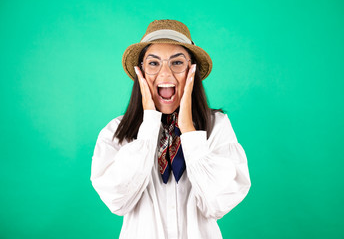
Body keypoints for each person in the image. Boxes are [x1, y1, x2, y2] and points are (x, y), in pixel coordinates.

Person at [91, 19, 251, 239]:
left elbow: (218, 203)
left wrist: (189, 130)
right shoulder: (116, 131)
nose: (165, 75)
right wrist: (148, 127)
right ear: (141, 72)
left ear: (191, 70)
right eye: (154, 63)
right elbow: (117, 201)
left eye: (177, 63)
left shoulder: (217, 126)